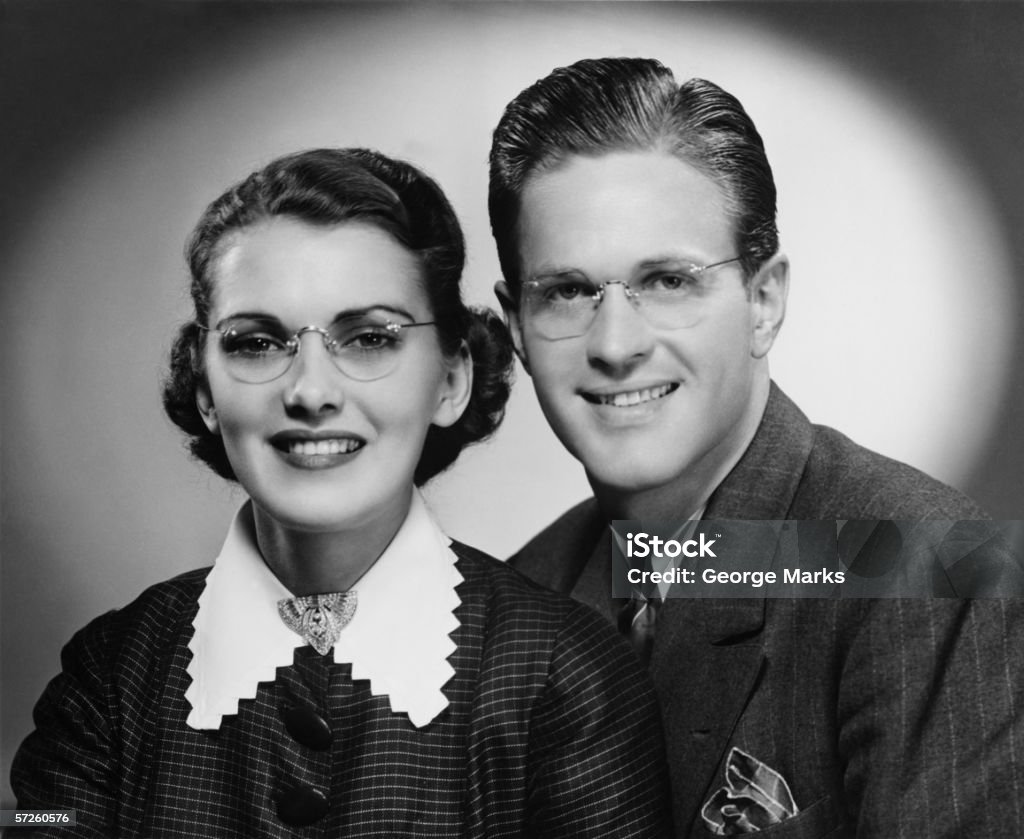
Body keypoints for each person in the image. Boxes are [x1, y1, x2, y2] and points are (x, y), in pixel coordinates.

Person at [11, 148, 670, 837]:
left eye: (370, 338)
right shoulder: (109, 675)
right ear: (204, 389)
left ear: (451, 379)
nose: (312, 391)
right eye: (257, 343)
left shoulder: (567, 676)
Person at [488, 58, 1024, 837]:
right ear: (517, 331)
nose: (615, 343)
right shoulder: (512, 608)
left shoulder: (932, 568)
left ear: (764, 300)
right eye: (567, 291)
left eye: (668, 280)